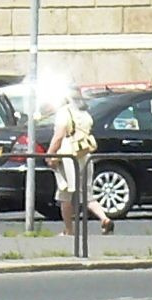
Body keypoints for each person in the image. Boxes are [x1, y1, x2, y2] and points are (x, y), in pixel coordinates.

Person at [47, 86, 113, 234]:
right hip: (85, 155)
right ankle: (104, 218)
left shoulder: (64, 112)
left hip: (68, 156)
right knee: (87, 194)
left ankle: (69, 230)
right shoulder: (84, 112)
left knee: (65, 195)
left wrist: (50, 154)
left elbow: (59, 136)